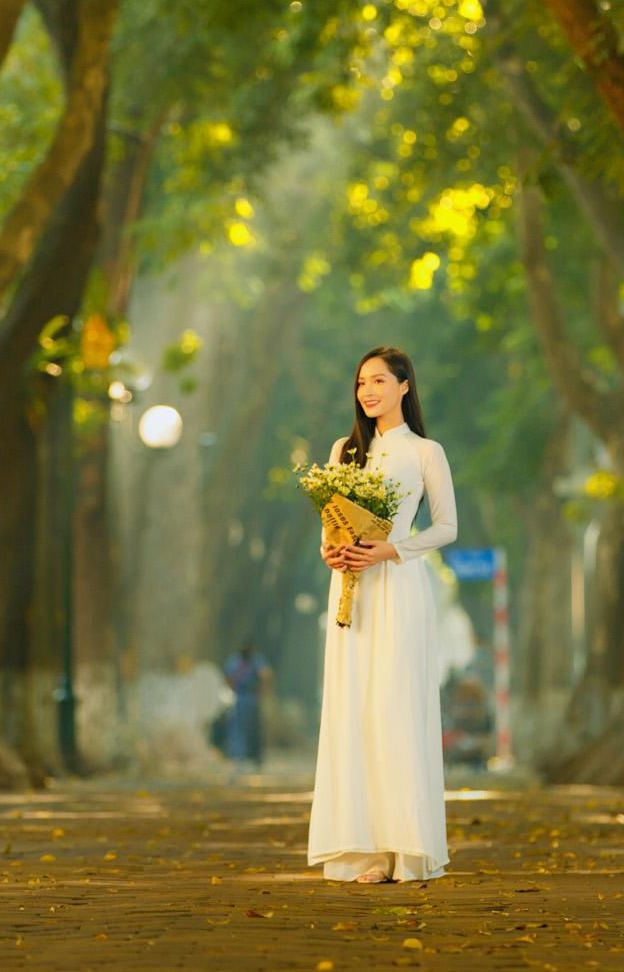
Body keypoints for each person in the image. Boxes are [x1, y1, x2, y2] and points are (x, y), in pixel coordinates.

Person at [306, 346, 459, 884]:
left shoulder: (425, 452)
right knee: (356, 709)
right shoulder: (343, 451)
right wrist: (331, 550)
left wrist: (393, 550)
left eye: (378, 381)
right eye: (360, 382)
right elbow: (330, 523)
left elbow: (446, 527)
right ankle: (364, 849)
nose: (367, 390)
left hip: (397, 585)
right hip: (352, 590)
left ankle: (404, 847)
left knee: (394, 706)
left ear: (404, 387)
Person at [222, 641, 270, 768]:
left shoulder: (253, 660)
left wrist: (261, 691)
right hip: (243, 698)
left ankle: (250, 757)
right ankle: (240, 756)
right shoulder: (239, 661)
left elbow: (265, 675)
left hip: (248, 698)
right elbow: (265, 675)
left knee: (250, 729)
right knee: (240, 729)